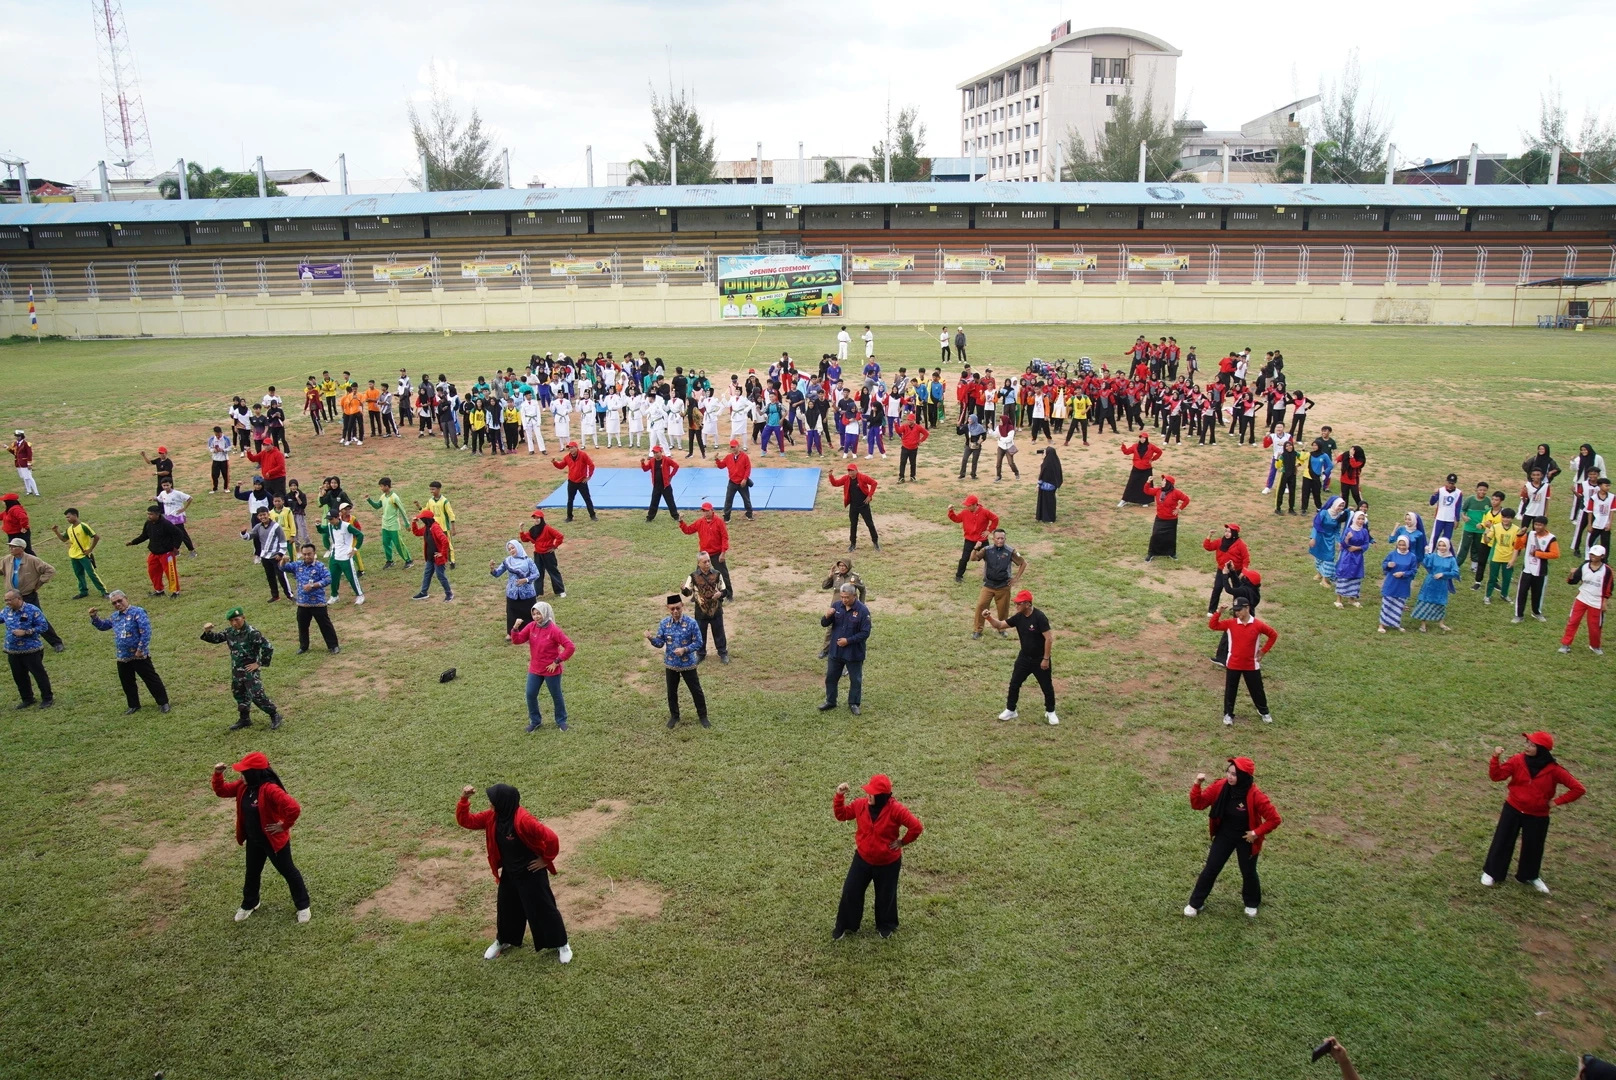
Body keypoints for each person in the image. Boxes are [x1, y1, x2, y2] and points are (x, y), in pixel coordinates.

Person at [457, 783, 570, 961]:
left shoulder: (524, 820)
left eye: (493, 801)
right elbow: (467, 821)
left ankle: (561, 944)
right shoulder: (492, 816)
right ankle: (504, 940)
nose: (490, 804)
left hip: (532, 873)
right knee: (506, 908)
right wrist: (464, 799)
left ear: (503, 802)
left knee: (542, 909)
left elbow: (551, 837)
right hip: (510, 873)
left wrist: (546, 859)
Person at [1481, 732, 1584, 895]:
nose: (1527, 747)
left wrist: (1556, 802)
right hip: (1513, 808)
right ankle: (1493, 872)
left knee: (1534, 846)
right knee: (1502, 840)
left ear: (1542, 750)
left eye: (1532, 745)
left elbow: (1578, 788)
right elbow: (1497, 776)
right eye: (1527, 743)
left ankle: (1529, 876)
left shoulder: (1554, 770)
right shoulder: (1517, 760)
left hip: (1538, 815)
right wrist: (1495, 758)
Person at [212, 752, 310, 923]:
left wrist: (283, 825)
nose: (241, 776)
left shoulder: (270, 789)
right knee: (252, 873)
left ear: (253, 774)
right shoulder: (243, 787)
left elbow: (293, 807)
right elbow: (222, 791)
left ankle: (303, 906)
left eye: (244, 773)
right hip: (254, 840)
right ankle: (250, 903)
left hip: (273, 842)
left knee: (288, 871)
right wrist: (218, 775)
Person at [1184, 756, 1281, 918]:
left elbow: (1274, 819)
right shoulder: (1220, 787)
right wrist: (1197, 784)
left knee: (1248, 871)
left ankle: (1251, 903)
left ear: (1244, 777)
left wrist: (1255, 833)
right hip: (1225, 835)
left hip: (1246, 838)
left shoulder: (1255, 795)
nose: (1229, 776)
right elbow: (1198, 804)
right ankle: (1195, 903)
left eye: (1234, 774)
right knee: (1211, 869)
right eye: (1228, 772)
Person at [831, 774, 923, 940]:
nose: (868, 795)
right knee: (851, 891)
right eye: (868, 791)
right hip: (862, 859)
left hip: (888, 863)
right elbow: (841, 815)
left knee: (886, 895)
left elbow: (916, 827)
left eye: (872, 793)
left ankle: (885, 925)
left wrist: (902, 842)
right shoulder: (860, 805)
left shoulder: (896, 809)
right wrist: (839, 796)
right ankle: (845, 925)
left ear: (883, 796)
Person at [979, 589, 1058, 724]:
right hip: (1024, 658)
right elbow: (1000, 625)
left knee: (1046, 687)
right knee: (1014, 684)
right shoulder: (1019, 617)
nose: (1016, 606)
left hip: (1040, 659)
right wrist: (988, 618)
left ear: (1027, 604)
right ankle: (1011, 710)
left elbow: (1048, 639)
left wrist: (1045, 659)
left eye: (1019, 604)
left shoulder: (1039, 617)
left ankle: (1050, 712)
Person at [89, 590, 169, 714]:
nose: (117, 604)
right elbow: (104, 626)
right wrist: (94, 617)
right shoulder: (115, 616)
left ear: (126, 598)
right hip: (123, 656)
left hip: (139, 655)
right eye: (114, 603)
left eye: (119, 601)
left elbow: (145, 632)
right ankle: (133, 705)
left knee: (151, 679)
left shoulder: (138, 612)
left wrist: (140, 650)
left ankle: (163, 702)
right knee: (127, 682)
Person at [202, 607, 281, 731]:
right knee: (239, 693)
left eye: (237, 620)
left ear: (243, 618)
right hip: (236, 670)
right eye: (231, 621)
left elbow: (268, 647)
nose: (234, 623)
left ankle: (274, 714)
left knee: (256, 695)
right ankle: (244, 719)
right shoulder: (230, 632)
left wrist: (259, 663)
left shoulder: (252, 632)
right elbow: (216, 638)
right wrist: (207, 632)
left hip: (250, 670)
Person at [1208, 598, 1276, 725]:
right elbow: (1213, 625)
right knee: (1230, 690)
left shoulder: (1258, 625)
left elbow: (1273, 635)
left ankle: (1264, 711)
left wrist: (1263, 651)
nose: (1237, 613)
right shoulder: (1230, 623)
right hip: (1234, 664)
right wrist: (1218, 612)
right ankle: (1228, 714)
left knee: (1257, 689)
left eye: (1239, 610)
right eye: (1235, 610)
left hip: (1251, 665)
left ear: (1247, 608)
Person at [510, 602, 573, 731]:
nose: (536, 616)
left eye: (538, 613)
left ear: (545, 613)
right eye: (534, 614)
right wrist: (515, 628)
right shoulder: (531, 626)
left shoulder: (554, 630)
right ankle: (535, 721)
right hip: (535, 669)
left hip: (551, 670)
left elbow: (570, 647)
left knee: (556, 695)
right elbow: (517, 640)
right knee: (530, 694)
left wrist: (557, 661)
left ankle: (561, 720)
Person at [647, 594, 708, 728]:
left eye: (678, 608)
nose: (675, 611)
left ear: (682, 606)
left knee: (696, 691)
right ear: (668, 608)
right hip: (671, 664)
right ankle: (674, 716)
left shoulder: (691, 623)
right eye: (672, 609)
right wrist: (651, 638)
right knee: (671, 692)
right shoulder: (664, 623)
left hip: (688, 664)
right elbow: (660, 643)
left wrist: (685, 649)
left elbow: (699, 642)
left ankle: (703, 716)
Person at [1, 539, 64, 651]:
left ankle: (56, 643)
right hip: (12, 597)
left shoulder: (32, 560)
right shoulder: (7, 560)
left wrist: (39, 583)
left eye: (13, 547)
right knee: (11, 618)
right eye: (10, 546)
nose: (10, 549)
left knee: (38, 618)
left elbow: (50, 570)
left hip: (27, 595)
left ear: (22, 548)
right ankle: (17, 642)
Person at [819, 582, 871, 715]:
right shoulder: (836, 606)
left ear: (854, 596)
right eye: (842, 597)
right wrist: (826, 616)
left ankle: (854, 703)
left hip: (853, 652)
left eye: (847, 597)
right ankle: (830, 701)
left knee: (855, 679)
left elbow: (865, 633)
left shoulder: (863, 611)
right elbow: (825, 624)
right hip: (836, 651)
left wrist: (848, 641)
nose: (844, 600)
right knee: (831, 677)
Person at [969, 529, 1026, 639]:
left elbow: (1023, 563)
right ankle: (978, 630)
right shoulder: (987, 550)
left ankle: (1002, 629)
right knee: (981, 605)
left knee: (1003, 609)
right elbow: (973, 558)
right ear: (993, 539)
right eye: (998, 538)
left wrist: (1016, 578)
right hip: (988, 585)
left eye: (1002, 538)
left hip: (1003, 586)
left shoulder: (1010, 551)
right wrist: (975, 548)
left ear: (1005, 539)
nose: (1000, 540)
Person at [3, 589, 53, 709]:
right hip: (13, 651)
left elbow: (43, 626)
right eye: (5, 600)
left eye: (9, 600)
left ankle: (47, 698)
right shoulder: (6, 611)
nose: (7, 603)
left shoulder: (32, 610)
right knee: (19, 676)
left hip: (31, 650)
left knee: (39, 675)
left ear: (19, 599)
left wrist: (26, 632)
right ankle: (27, 699)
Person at [1559, 543, 1609, 655]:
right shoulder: (1584, 566)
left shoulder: (1607, 570)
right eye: (1591, 554)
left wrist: (1604, 602)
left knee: (1595, 626)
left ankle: (1595, 646)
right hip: (1582, 598)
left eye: (1596, 555)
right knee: (1573, 621)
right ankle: (1565, 644)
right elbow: (1573, 581)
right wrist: (1571, 574)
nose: (1593, 557)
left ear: (1602, 556)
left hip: (1596, 601)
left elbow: (1608, 587)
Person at [289, 544, 339, 655]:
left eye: (309, 554)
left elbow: (328, 579)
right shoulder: (298, 565)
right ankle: (303, 646)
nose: (307, 556)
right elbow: (283, 568)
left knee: (325, 625)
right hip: (302, 603)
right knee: (302, 626)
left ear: (314, 553)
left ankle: (333, 646)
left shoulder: (320, 566)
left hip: (318, 603)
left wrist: (313, 585)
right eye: (304, 554)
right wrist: (282, 561)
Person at [681, 551, 729, 664]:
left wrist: (720, 594)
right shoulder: (693, 576)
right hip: (701, 611)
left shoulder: (717, 574)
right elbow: (688, 593)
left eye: (708, 561)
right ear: (699, 563)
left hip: (715, 609)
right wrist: (683, 589)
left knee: (719, 633)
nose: (708, 563)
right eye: (705, 562)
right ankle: (700, 654)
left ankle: (723, 653)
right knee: (700, 634)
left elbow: (725, 590)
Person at [126, 503, 183, 598]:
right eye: (148, 514)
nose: (149, 516)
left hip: (167, 553)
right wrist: (133, 542)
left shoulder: (166, 524)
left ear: (158, 514)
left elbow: (179, 534)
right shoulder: (148, 523)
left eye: (151, 514)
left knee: (170, 573)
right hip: (154, 553)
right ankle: (159, 590)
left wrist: (175, 547)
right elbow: (144, 535)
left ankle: (175, 592)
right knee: (153, 572)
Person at [51, 508, 108, 599]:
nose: (67, 519)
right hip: (74, 555)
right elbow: (64, 539)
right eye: (66, 518)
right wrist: (56, 531)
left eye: (69, 517)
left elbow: (96, 537)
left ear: (75, 516)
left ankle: (104, 591)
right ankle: (83, 591)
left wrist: (90, 549)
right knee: (79, 574)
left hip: (83, 555)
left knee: (91, 574)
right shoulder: (69, 529)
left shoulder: (83, 526)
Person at [678, 502, 732, 598]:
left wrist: (723, 553)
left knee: (723, 575)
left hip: (716, 553)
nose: (706, 513)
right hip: (704, 554)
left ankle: (728, 594)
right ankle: (696, 596)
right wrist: (681, 522)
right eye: (704, 511)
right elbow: (688, 530)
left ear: (712, 510)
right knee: (698, 577)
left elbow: (725, 537)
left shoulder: (719, 522)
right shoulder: (700, 522)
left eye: (707, 510)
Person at [1513, 517, 1560, 623]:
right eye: (1536, 524)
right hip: (1527, 569)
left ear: (1545, 526)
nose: (1537, 527)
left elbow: (1555, 554)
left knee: (1538, 593)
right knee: (1522, 592)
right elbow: (1518, 546)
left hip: (1540, 571)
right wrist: (1520, 535)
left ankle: (1536, 612)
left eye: (1540, 525)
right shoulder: (1529, 535)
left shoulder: (1551, 538)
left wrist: (1537, 554)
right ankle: (1518, 615)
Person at [318, 507, 364, 606]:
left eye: (331, 519)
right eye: (329, 519)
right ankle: (334, 595)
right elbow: (323, 530)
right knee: (333, 577)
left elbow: (360, 535)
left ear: (337, 517)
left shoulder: (347, 526)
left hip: (346, 556)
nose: (329, 521)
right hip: (335, 555)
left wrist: (355, 549)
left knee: (351, 577)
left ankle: (360, 595)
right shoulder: (330, 526)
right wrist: (318, 525)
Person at [1413, 536, 1460, 632]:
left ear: (1448, 546)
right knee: (1425, 601)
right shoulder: (1434, 556)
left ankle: (1441, 623)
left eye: (1444, 546)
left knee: (1440, 603)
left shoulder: (1451, 559)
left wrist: (1443, 574)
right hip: (1430, 583)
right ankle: (1423, 624)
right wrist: (1426, 553)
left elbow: (1455, 572)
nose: (1442, 548)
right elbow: (1425, 563)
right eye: (1440, 545)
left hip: (1442, 585)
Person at [491, 540, 540, 634]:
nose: (511, 550)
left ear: (518, 547)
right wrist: (492, 569)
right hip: (512, 593)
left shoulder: (527, 560)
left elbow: (536, 574)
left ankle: (530, 632)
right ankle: (511, 633)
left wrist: (525, 580)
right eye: (509, 549)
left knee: (528, 613)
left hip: (527, 593)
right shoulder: (507, 561)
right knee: (511, 614)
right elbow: (497, 574)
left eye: (513, 548)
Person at [947, 496, 999, 583]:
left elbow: (995, 519)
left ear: (975, 505)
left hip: (982, 540)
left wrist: (989, 530)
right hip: (969, 540)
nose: (967, 507)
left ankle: (991, 576)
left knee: (989, 559)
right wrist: (951, 511)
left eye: (969, 505)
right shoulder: (965, 512)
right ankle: (958, 576)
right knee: (964, 559)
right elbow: (956, 519)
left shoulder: (985, 512)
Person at [829, 464, 880, 552]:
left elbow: (874, 483)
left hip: (864, 505)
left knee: (870, 524)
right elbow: (835, 483)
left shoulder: (863, 477)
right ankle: (853, 544)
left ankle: (875, 542)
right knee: (853, 525)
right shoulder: (846, 478)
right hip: (853, 506)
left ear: (856, 470)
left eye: (852, 470)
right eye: (849, 471)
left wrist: (869, 496)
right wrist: (830, 476)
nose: (850, 472)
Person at [246, 507, 292, 603]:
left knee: (281, 576)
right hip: (265, 557)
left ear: (268, 514)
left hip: (276, 557)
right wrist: (243, 533)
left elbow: (283, 541)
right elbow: (249, 536)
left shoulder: (276, 526)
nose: (263, 517)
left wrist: (280, 554)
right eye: (260, 515)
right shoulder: (258, 527)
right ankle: (275, 596)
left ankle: (289, 595)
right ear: (258, 517)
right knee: (270, 577)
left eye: (264, 514)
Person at [366, 477, 412, 569]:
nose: (381, 488)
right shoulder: (383, 497)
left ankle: (409, 561)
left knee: (399, 544)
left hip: (394, 525)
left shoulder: (394, 498)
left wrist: (407, 524)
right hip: (385, 525)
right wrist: (369, 500)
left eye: (382, 486)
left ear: (387, 486)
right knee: (386, 543)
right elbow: (377, 506)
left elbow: (402, 511)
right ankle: (389, 561)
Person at [1203, 523, 1250, 613]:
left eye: (1229, 532)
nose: (1227, 533)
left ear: (1234, 533)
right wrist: (1209, 535)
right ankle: (1211, 610)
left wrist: (1243, 571)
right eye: (1226, 531)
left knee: (1237, 590)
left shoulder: (1240, 544)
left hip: (1236, 570)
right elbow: (1208, 547)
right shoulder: (1220, 541)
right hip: (1222, 569)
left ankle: (1237, 608)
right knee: (1217, 588)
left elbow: (1246, 558)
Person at [410, 509, 454, 602]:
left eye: (422, 519)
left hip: (438, 558)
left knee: (440, 575)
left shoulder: (435, 528)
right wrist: (414, 523)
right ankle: (424, 592)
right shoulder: (427, 527)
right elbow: (417, 533)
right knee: (427, 574)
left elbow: (445, 540)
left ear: (427, 519)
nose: (421, 520)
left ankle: (449, 593)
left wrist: (442, 553)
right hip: (430, 557)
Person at [1142, 475, 1190, 561]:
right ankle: (1151, 553)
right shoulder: (1158, 490)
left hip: (1171, 520)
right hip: (1160, 518)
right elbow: (1147, 491)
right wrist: (1148, 482)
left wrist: (1179, 509)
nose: (1162, 482)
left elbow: (1186, 499)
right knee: (1155, 535)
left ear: (1168, 483)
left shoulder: (1176, 492)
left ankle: (1171, 553)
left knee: (1170, 537)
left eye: (1164, 481)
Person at [1378, 535, 1419, 633]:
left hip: (1403, 584)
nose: (1401, 547)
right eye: (1399, 545)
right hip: (1391, 583)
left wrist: (1403, 573)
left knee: (1399, 605)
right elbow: (1384, 565)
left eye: (1404, 545)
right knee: (1387, 604)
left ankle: (1396, 623)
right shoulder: (1392, 554)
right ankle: (1382, 624)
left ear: (1408, 545)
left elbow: (1413, 570)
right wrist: (1388, 565)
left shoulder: (1412, 557)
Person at [551, 442, 598, 522]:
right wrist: (554, 463)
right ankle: (569, 517)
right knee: (570, 500)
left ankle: (592, 515)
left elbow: (591, 465)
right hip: (572, 482)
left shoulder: (583, 455)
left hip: (581, 482)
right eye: (569, 448)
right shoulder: (567, 457)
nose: (570, 450)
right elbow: (561, 466)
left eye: (572, 448)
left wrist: (589, 476)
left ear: (576, 447)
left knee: (587, 499)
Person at [524, 510, 565, 597]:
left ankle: (560, 591)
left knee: (553, 572)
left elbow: (559, 536)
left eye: (538, 518)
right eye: (534, 518)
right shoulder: (533, 530)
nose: (536, 520)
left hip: (548, 554)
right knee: (538, 573)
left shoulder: (547, 528)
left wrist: (554, 546)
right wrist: (521, 530)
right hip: (538, 554)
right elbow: (525, 539)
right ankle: (537, 593)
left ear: (541, 519)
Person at [1309, 497, 1348, 586]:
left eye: (1343, 506)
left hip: (1329, 539)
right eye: (1340, 505)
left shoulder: (1339, 516)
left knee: (1329, 558)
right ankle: (1319, 573)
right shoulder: (1324, 513)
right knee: (1319, 556)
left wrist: (1339, 541)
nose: (1341, 508)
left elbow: (1337, 530)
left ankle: (1324, 580)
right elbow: (1316, 525)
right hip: (1320, 537)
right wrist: (1313, 538)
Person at [1117, 433, 1162, 508]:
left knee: (1146, 485)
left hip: (1146, 469)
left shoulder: (1151, 446)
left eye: (1144, 438)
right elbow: (1126, 452)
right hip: (1136, 468)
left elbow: (1159, 452)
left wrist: (1153, 459)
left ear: (1146, 439)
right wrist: (1123, 446)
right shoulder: (1135, 446)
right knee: (1131, 484)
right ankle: (1124, 500)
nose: (1142, 439)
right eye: (1141, 438)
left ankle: (1145, 501)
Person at [641, 445, 681, 522]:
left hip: (665, 485)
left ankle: (676, 516)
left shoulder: (666, 459)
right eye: (654, 453)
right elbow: (646, 469)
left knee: (670, 502)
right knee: (654, 502)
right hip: (656, 485)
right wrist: (642, 463)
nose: (655, 454)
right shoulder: (652, 461)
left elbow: (676, 466)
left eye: (657, 452)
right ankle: (649, 517)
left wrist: (671, 476)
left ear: (661, 452)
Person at [717, 439, 754, 521]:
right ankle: (727, 516)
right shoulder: (728, 457)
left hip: (742, 482)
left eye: (734, 446)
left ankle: (749, 514)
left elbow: (748, 468)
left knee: (746, 499)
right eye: (731, 447)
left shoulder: (744, 457)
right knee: (728, 499)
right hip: (732, 482)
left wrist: (745, 479)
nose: (733, 448)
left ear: (738, 446)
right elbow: (721, 466)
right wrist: (717, 460)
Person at [895, 411, 928, 482]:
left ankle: (912, 476)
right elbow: (899, 431)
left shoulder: (918, 427)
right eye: (908, 420)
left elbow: (926, 433)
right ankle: (901, 477)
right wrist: (896, 425)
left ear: (914, 420)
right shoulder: (904, 426)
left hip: (913, 448)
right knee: (903, 462)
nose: (909, 421)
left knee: (913, 463)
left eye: (910, 420)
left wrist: (920, 441)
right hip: (905, 447)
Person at [1035, 447, 1063, 522]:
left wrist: (1038, 484)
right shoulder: (1055, 462)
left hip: (1045, 486)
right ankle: (1050, 518)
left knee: (1044, 502)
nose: (1044, 453)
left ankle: (1044, 517)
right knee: (1050, 502)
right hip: (1052, 486)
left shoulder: (1046, 464)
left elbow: (1042, 475)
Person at [7, 430, 39, 496]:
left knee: (29, 477)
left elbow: (29, 454)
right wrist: (7, 448)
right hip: (18, 463)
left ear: (22, 436)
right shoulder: (15, 444)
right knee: (24, 478)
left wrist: (29, 463)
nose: (17, 437)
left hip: (24, 463)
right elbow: (15, 453)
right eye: (16, 436)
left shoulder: (26, 444)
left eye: (18, 436)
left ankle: (36, 492)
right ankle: (29, 490)